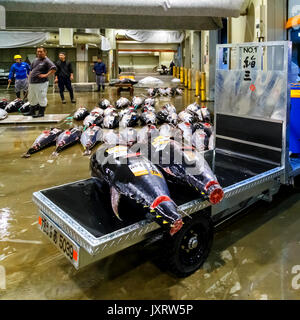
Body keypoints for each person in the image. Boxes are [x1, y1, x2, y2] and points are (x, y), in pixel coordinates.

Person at [25, 47, 57, 118]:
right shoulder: (35, 60)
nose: (39, 53)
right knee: (31, 97)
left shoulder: (47, 61)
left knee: (41, 97)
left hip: (41, 83)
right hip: (32, 82)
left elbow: (54, 69)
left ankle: (41, 113)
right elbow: (31, 70)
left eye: (41, 52)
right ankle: (31, 111)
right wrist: (29, 77)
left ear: (45, 52)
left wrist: (46, 75)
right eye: (38, 52)